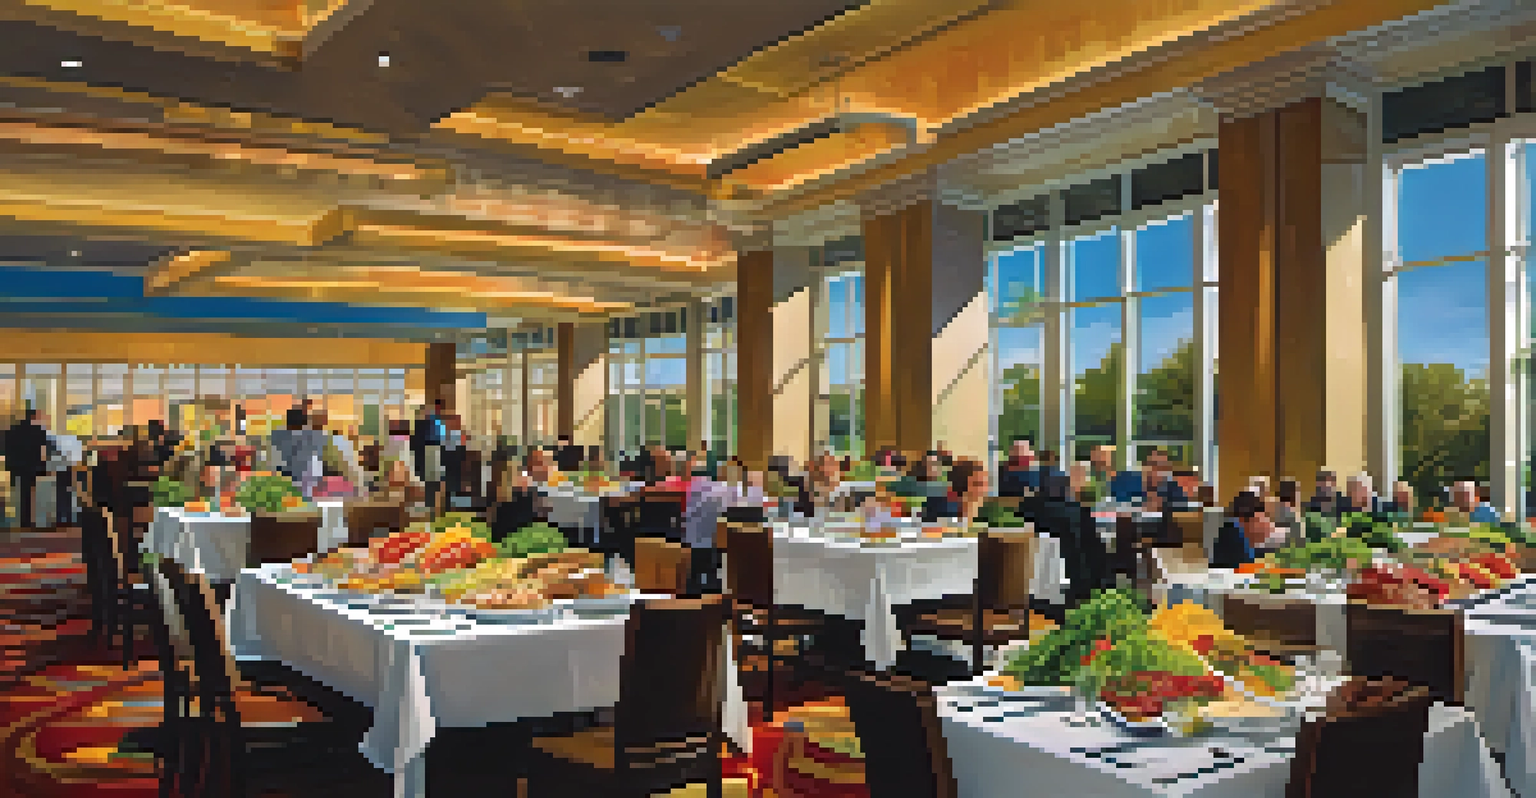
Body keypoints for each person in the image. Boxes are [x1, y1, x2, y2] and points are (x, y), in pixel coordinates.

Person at [4, 410, 48, 528]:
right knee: (27, 492)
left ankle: (16, 518)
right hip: (31, 465)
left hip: (17, 465)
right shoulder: (37, 431)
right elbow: (44, 447)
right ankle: (26, 519)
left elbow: (5, 446)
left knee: (18, 491)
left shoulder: (12, 431)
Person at [1211, 490, 1266, 569]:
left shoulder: (1234, 529)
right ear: (1242, 519)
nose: (1261, 526)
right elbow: (1244, 565)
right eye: (1258, 520)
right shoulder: (1231, 535)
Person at [923, 458, 988, 522]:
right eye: (977, 484)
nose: (984, 489)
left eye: (986, 482)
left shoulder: (985, 507)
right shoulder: (938, 506)